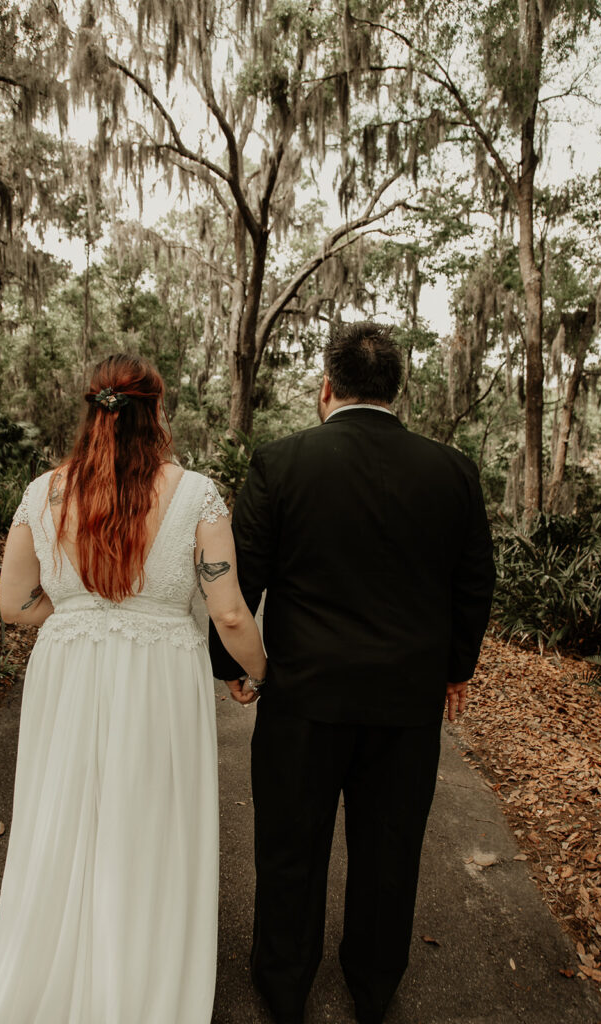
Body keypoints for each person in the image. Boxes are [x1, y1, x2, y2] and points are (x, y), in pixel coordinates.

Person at [0, 353, 266, 1024]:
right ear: (156, 411)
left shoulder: (44, 491)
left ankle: (54, 970)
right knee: (150, 821)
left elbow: (17, 604)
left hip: (70, 671)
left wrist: (84, 610)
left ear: (90, 408)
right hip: (160, 675)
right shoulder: (196, 493)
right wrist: (258, 669)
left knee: (67, 816)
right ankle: (138, 985)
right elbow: (228, 612)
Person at [209, 322, 496, 1024]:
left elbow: (243, 578)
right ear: (397, 393)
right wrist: (456, 667)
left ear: (325, 388)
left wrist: (234, 667)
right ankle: (373, 987)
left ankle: (284, 986)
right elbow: (474, 582)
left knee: (290, 848)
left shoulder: (282, 462)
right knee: (389, 851)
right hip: (405, 702)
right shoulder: (452, 470)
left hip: (303, 698)